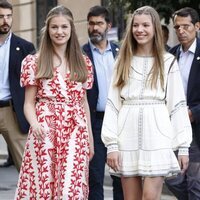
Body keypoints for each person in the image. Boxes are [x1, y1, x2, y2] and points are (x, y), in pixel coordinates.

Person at [101, 6, 192, 200]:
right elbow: (112, 104)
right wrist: (112, 145)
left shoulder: (168, 62)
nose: (139, 29)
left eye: (145, 25)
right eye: (135, 25)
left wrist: (183, 146)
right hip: (127, 136)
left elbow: (177, 106)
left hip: (157, 136)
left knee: (150, 197)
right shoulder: (122, 61)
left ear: (155, 28)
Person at [14, 5, 94, 199]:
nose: (59, 32)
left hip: (76, 130)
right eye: (55, 27)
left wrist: (90, 139)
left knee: (70, 189)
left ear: (71, 29)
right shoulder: (34, 62)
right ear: (47, 30)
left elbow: (83, 103)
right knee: (43, 187)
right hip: (45, 130)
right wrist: (35, 124)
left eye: (64, 27)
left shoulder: (83, 62)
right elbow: (28, 103)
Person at [82, 5, 123, 200]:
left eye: (99, 23)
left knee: (121, 176)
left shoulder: (120, 52)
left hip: (119, 122)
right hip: (94, 123)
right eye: (91, 24)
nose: (94, 28)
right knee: (95, 177)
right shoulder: (79, 54)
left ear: (108, 25)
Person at [165, 7, 200, 200]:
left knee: (195, 182)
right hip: (173, 127)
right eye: (177, 27)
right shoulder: (170, 56)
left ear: (197, 26)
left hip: (195, 127)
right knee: (172, 178)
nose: (181, 31)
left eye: (186, 26)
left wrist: (192, 113)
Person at [0, 0, 35, 171]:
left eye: (8, 16)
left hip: (12, 111)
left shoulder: (25, 47)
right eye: (0, 17)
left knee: (26, 167)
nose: (5, 21)